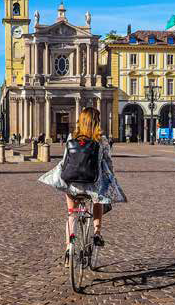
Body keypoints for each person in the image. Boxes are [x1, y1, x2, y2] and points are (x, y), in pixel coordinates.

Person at [38, 107, 127, 267]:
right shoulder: (102, 140)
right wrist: (111, 179)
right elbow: (108, 163)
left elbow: (66, 161)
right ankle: (97, 232)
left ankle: (68, 250)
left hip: (72, 184)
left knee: (72, 215)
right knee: (98, 201)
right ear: (97, 122)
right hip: (93, 185)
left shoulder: (72, 137)